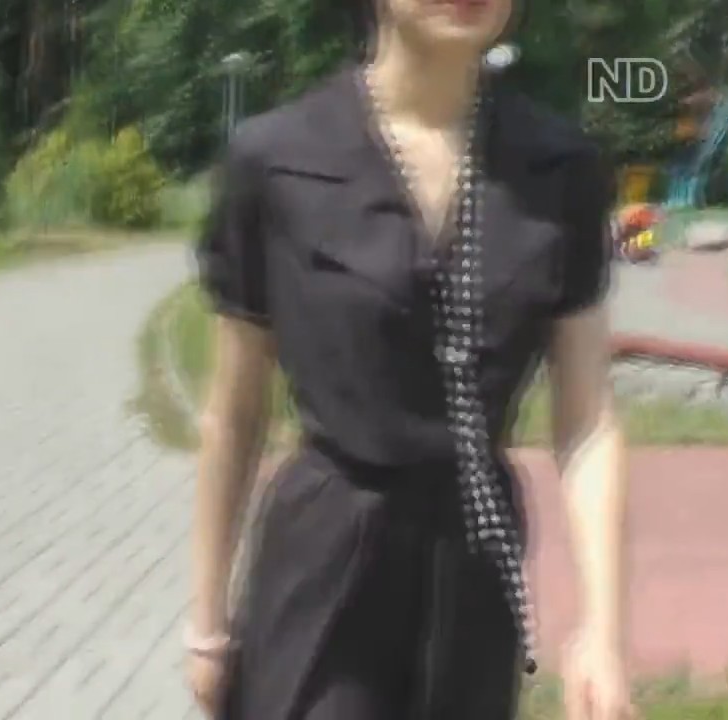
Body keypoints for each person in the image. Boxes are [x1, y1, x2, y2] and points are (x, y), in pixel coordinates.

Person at [186, 0, 633, 718]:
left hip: (476, 571)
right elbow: (234, 414)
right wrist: (207, 626)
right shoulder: (276, 159)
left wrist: (601, 633)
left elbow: (587, 422)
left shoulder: (561, 170)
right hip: (325, 563)